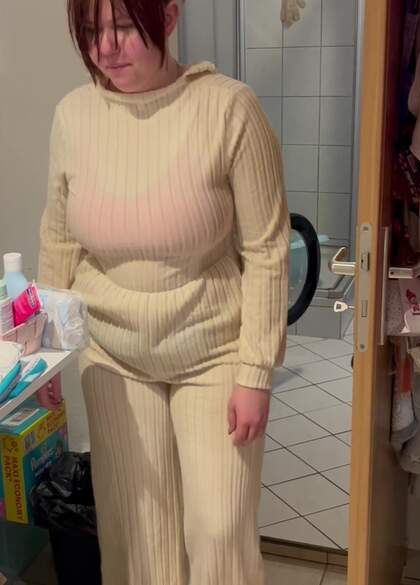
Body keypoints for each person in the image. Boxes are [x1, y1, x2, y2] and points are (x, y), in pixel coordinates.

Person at [36, 1, 289, 583]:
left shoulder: (229, 108)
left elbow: (268, 249)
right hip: (112, 354)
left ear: (169, 17)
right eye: (91, 31)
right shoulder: (74, 115)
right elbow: (59, 238)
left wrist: (256, 372)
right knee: (136, 534)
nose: (106, 48)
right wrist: (46, 349)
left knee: (220, 529)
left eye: (124, 27)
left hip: (213, 350)